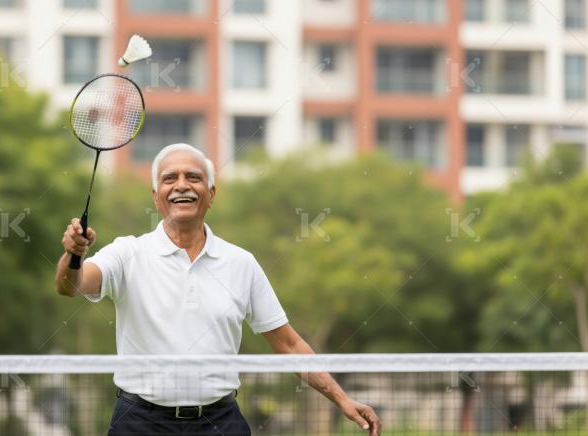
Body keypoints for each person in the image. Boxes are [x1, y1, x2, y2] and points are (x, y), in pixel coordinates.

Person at [56, 143, 381, 436]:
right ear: (155, 196)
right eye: (169, 178)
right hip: (139, 422)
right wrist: (74, 254)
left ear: (211, 194)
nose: (181, 185)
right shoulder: (127, 253)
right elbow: (71, 285)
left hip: (219, 422)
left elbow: (289, 345)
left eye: (193, 177)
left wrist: (342, 399)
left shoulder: (241, 263)